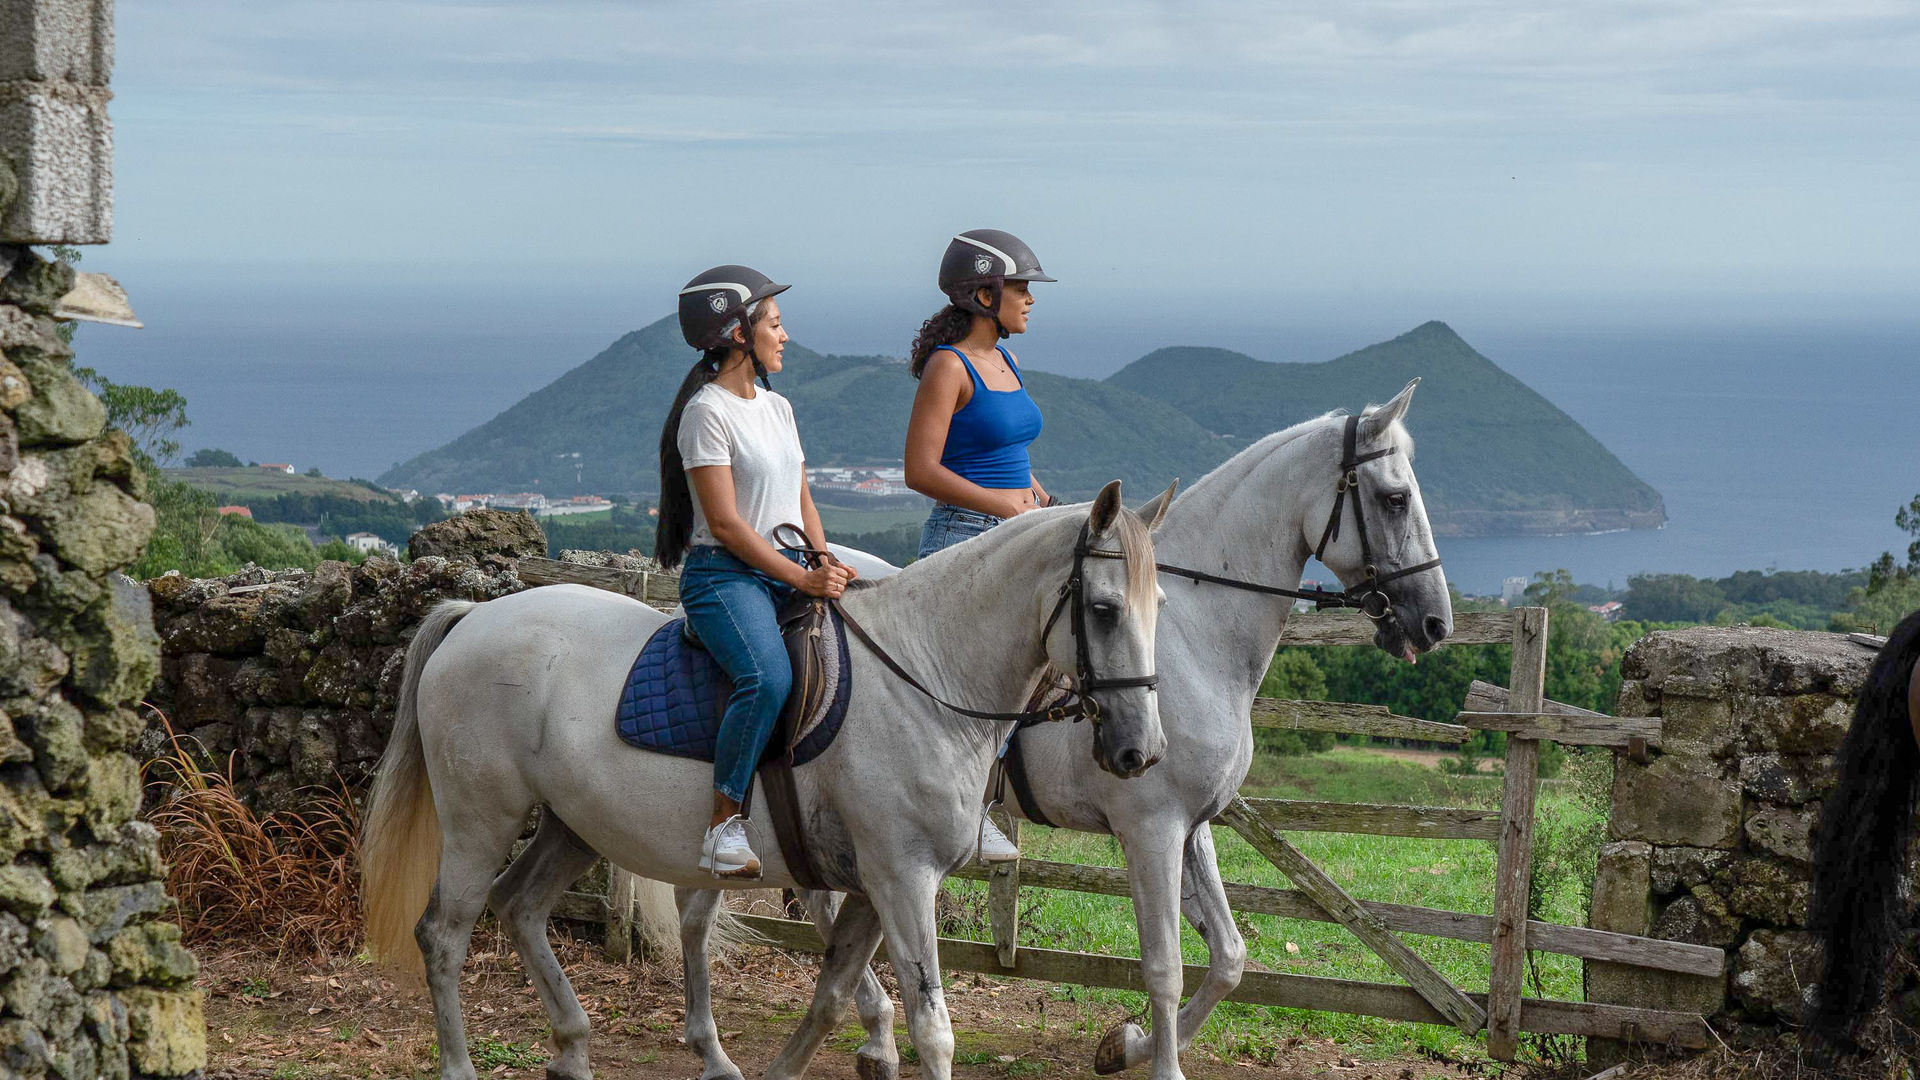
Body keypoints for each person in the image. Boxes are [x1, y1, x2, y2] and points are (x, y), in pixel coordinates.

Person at [656, 265, 854, 877]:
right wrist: (801, 580)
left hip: (787, 564)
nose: (785, 334)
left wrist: (822, 559)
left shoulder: (778, 407)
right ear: (739, 333)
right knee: (766, 677)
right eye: (774, 322)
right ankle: (723, 825)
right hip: (725, 576)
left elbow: (803, 501)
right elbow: (728, 526)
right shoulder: (706, 413)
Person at [902, 229, 1055, 861]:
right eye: (1021, 287)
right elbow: (920, 469)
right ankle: (967, 807)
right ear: (985, 292)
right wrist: (1003, 503)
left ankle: (990, 797)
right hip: (963, 539)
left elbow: (1004, 452)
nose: (1030, 300)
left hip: (1015, 530)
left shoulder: (1005, 360)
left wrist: (1035, 492)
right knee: (976, 689)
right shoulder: (949, 366)